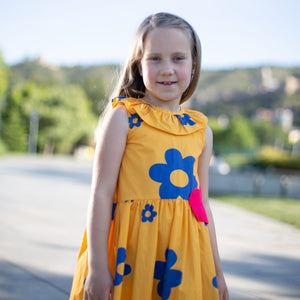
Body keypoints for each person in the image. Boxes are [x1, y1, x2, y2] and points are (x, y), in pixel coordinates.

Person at [70, 12, 229, 300]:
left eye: (178, 58)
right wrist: (97, 268)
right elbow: (102, 193)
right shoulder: (124, 118)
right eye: (155, 58)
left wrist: (217, 271)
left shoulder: (201, 131)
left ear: (194, 65)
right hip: (131, 257)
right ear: (139, 65)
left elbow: (201, 206)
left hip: (186, 259)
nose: (166, 69)